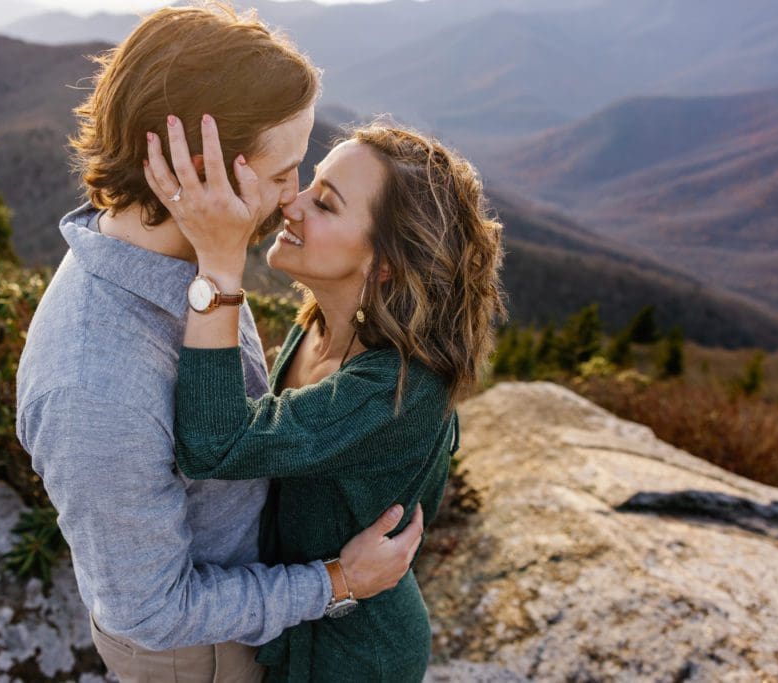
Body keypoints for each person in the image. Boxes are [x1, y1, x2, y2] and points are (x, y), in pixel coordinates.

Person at [14, 5, 424, 682]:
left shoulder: (198, 267)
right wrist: (338, 581)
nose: (294, 198)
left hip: (242, 615)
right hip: (199, 656)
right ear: (199, 172)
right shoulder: (94, 384)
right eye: (281, 172)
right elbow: (152, 610)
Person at [142, 114, 507, 681]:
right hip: (298, 617)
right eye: (310, 183)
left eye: (326, 204)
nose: (293, 204)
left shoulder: (398, 390)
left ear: (384, 264)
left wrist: (218, 265)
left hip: (357, 655)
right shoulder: (317, 324)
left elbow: (214, 446)